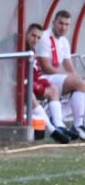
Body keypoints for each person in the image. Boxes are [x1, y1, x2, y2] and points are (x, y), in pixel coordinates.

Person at [35, 10, 85, 140]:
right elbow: (45, 67)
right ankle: (77, 124)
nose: (63, 27)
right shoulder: (44, 37)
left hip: (55, 78)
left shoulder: (64, 42)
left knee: (80, 85)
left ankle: (71, 122)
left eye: (67, 24)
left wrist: (77, 79)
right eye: (60, 23)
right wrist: (73, 79)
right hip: (42, 77)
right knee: (79, 83)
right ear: (53, 22)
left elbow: (69, 66)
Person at [25, 23, 70, 143]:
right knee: (29, 92)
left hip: (30, 83)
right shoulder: (21, 48)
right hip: (18, 87)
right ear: (26, 34)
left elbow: (36, 74)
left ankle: (59, 124)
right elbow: (19, 76)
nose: (35, 40)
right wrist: (39, 88)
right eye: (33, 36)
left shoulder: (32, 50)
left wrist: (44, 85)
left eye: (38, 37)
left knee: (54, 89)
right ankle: (52, 130)